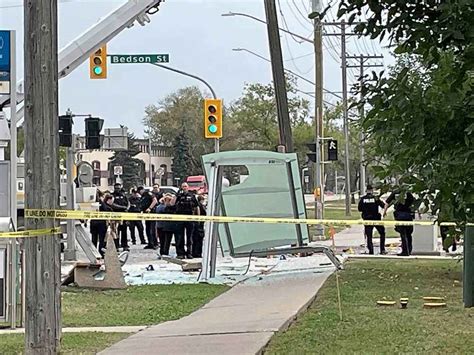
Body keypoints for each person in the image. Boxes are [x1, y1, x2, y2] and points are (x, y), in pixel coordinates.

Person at [384, 189, 415, 256]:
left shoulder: (395, 192)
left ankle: (405, 251)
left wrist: (384, 211)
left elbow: (387, 202)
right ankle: (409, 250)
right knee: (409, 234)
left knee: (403, 234)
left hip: (399, 215)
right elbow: (414, 203)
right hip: (408, 215)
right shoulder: (408, 193)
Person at [358, 185, 387, 255]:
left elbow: (359, 209)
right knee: (382, 233)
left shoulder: (363, 199)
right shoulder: (375, 198)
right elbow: (383, 205)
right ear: (372, 190)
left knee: (369, 235)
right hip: (376, 218)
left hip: (367, 219)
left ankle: (371, 250)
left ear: (366, 190)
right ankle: (382, 249)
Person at [173, 182, 199, 259]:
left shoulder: (192, 196)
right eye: (183, 186)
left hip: (190, 218)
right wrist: (176, 195)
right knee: (180, 237)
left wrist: (198, 218)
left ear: (188, 187)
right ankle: (181, 253)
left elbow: (196, 206)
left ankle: (189, 253)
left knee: (189, 237)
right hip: (180, 218)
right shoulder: (179, 195)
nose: (184, 188)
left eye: (185, 186)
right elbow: (172, 203)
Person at [111, 183, 130, 251]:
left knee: (124, 231)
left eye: (118, 188)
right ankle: (116, 245)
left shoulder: (123, 195)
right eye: (116, 188)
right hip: (116, 216)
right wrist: (122, 207)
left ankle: (125, 245)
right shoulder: (112, 195)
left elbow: (128, 202)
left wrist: (127, 208)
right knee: (116, 231)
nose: (117, 190)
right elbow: (112, 204)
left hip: (124, 215)